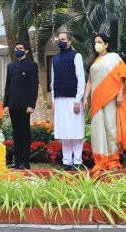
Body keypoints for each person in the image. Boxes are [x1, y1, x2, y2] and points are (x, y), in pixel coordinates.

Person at [83, 33, 126, 172]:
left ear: (106, 44)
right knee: (97, 129)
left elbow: (124, 76)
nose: (97, 44)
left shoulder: (114, 58)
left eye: (99, 42)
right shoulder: (94, 62)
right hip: (96, 99)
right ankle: (100, 160)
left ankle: (112, 160)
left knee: (111, 128)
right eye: (95, 42)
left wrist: (120, 94)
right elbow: (90, 81)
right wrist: (85, 97)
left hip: (111, 98)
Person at [51, 31, 86, 171]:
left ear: (70, 41)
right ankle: (67, 162)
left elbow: (81, 79)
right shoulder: (55, 58)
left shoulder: (76, 56)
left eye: (63, 39)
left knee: (76, 130)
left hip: (73, 99)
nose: (61, 41)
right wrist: (53, 99)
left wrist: (78, 100)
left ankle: (77, 161)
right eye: (59, 39)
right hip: (59, 99)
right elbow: (53, 80)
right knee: (64, 131)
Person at [3, 40, 39, 170]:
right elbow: (8, 86)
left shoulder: (31, 65)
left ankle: (25, 161)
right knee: (16, 133)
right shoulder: (11, 66)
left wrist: (31, 104)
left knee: (24, 133)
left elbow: (33, 86)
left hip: (25, 106)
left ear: (26, 51)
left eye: (20, 48)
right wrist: (5, 104)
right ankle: (17, 161)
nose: (17, 50)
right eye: (16, 48)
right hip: (12, 104)